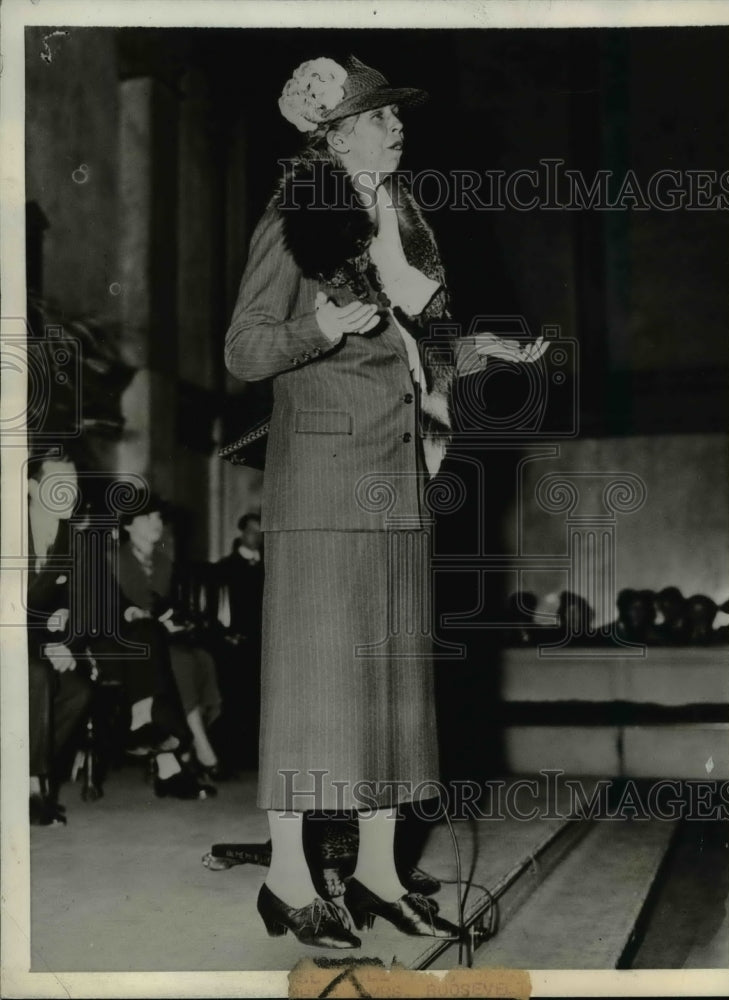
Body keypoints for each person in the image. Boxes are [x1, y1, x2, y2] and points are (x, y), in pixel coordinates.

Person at [225, 54, 547, 948]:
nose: (395, 126)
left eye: (396, 116)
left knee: (397, 686)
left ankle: (375, 872)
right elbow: (245, 350)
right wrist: (320, 326)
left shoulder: (406, 219)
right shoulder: (297, 216)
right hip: (324, 483)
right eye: (375, 117)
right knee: (312, 687)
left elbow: (422, 349)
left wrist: (486, 351)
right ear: (332, 135)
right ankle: (289, 881)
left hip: (402, 476)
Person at [115, 494, 223, 792]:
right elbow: (116, 607)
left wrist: (175, 619)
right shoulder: (114, 559)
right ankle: (196, 745)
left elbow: (166, 604)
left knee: (203, 659)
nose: (156, 523)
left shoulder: (164, 562)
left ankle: (178, 755)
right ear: (127, 526)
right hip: (130, 641)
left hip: (159, 637)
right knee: (182, 662)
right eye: (148, 517)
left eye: (158, 518)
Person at [27, 449, 92, 825]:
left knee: (78, 691)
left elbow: (84, 606)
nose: (69, 494)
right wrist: (46, 641)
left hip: (44, 646)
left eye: (73, 485)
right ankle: (31, 786)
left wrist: (67, 642)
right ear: (32, 487)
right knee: (36, 675)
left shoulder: (73, 538)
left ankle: (27, 772)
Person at [211, 512, 264, 768]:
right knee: (234, 695)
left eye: (261, 532)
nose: (257, 537)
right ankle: (234, 754)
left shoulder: (271, 568)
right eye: (253, 531)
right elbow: (218, 610)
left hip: (262, 642)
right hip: (235, 642)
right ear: (242, 533)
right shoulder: (225, 568)